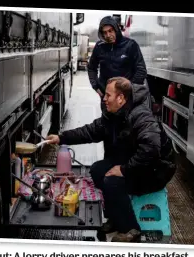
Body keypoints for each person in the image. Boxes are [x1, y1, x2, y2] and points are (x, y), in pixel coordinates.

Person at [46, 77, 175, 242]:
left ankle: (130, 229)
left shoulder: (140, 115)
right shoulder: (113, 114)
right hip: (138, 161)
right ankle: (116, 218)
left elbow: (151, 149)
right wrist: (61, 138)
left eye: (108, 95)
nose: (104, 98)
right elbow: (90, 131)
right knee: (97, 170)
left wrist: (123, 170)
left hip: (157, 169)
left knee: (112, 181)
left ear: (120, 98)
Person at [87, 16, 150, 109]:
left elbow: (141, 70)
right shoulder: (99, 47)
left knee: (126, 123)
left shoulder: (130, 45)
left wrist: (129, 91)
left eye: (110, 31)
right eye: (104, 32)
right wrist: (96, 86)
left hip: (125, 99)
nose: (108, 35)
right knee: (107, 123)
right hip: (107, 98)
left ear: (116, 29)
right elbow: (91, 68)